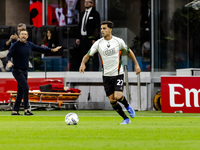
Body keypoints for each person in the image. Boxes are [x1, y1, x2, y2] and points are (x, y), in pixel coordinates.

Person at [79, 21, 141, 124]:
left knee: (117, 96)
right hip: (106, 76)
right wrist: (82, 63)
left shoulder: (118, 41)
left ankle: (127, 106)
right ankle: (126, 119)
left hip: (118, 74)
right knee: (112, 101)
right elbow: (88, 55)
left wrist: (136, 64)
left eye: (104, 28)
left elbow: (129, 51)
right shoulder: (98, 43)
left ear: (110, 29)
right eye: (101, 29)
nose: (102, 31)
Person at [6, 29, 62, 116]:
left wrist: (52, 50)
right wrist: (9, 61)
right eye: (22, 34)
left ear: (27, 36)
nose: (24, 35)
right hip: (17, 70)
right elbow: (9, 55)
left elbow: (40, 49)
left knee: (20, 90)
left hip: (25, 71)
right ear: (19, 35)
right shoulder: (15, 45)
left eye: (25, 34)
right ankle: (26, 109)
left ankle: (15, 111)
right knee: (26, 88)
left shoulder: (29, 45)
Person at [74, 0, 100, 71]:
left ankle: (95, 70)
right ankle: (84, 69)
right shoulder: (82, 14)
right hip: (83, 38)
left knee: (94, 55)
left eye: (88, 2)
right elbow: (79, 26)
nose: (86, 3)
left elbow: (97, 27)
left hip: (91, 38)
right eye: (85, 2)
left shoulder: (95, 14)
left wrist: (95, 38)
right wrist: (78, 38)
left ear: (92, 4)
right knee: (83, 55)